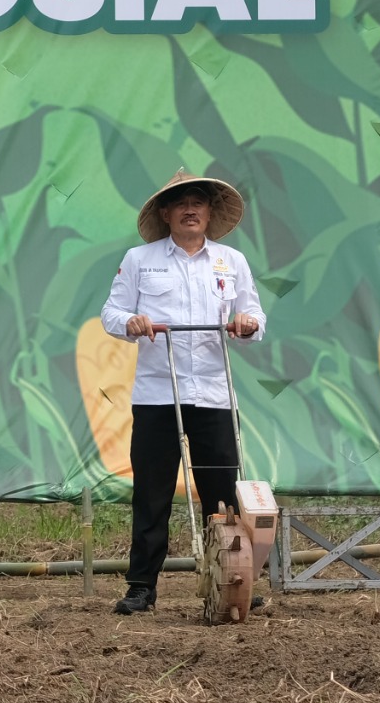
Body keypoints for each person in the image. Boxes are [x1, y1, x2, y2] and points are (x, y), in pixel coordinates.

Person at [99, 168, 265, 616]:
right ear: (166, 213)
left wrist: (247, 323)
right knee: (151, 493)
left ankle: (235, 577)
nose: (190, 209)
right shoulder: (139, 259)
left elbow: (253, 316)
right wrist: (130, 323)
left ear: (210, 211)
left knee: (223, 493)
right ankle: (141, 587)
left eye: (199, 201)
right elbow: (111, 312)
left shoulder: (231, 261)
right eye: (181, 202)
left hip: (213, 391)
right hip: (157, 393)